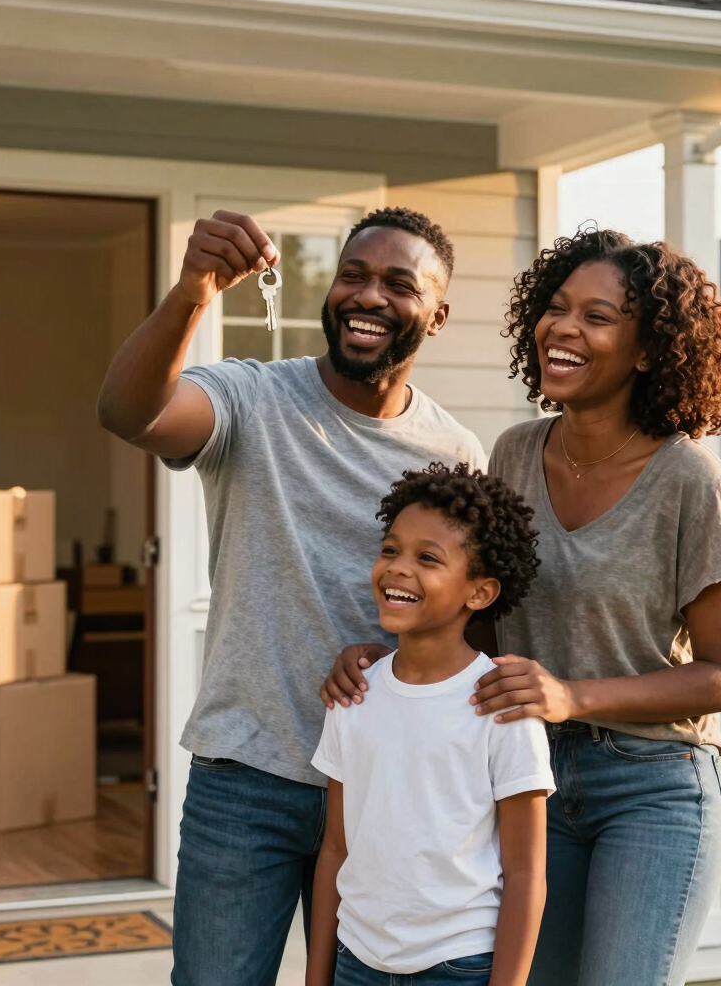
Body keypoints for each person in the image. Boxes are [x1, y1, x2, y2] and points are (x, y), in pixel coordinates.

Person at [322, 229, 721, 986]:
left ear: (649, 348)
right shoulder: (516, 453)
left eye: (598, 316)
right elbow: (481, 610)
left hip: (652, 784)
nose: (563, 328)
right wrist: (390, 655)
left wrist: (569, 695)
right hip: (531, 771)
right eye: (556, 309)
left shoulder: (691, 480)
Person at [97, 207, 486, 985]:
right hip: (247, 776)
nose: (368, 295)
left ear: (436, 316)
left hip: (385, 784)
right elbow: (128, 413)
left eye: (398, 284)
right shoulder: (250, 398)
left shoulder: (456, 454)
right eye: (353, 275)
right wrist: (191, 291)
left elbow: (465, 615)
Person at [307, 463, 553, 986]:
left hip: (458, 966)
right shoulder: (354, 694)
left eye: (428, 558)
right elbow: (335, 848)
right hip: (357, 960)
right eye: (391, 550)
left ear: (480, 592)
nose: (397, 568)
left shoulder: (501, 705)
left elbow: (527, 873)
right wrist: (317, 977)